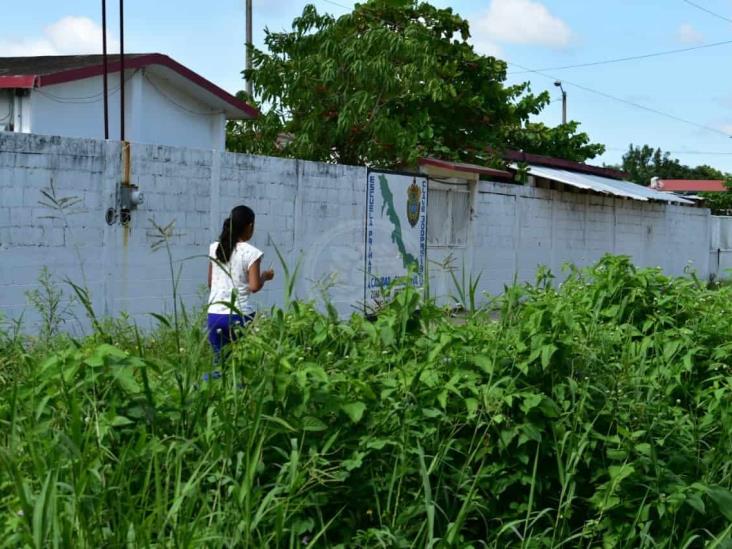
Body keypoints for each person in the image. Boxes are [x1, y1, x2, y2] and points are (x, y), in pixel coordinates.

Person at [207, 205, 274, 364]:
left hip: (214, 314)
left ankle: (203, 386)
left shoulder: (215, 248)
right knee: (243, 364)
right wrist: (264, 276)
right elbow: (254, 286)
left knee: (220, 364)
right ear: (250, 226)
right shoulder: (252, 253)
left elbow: (210, 283)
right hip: (240, 315)